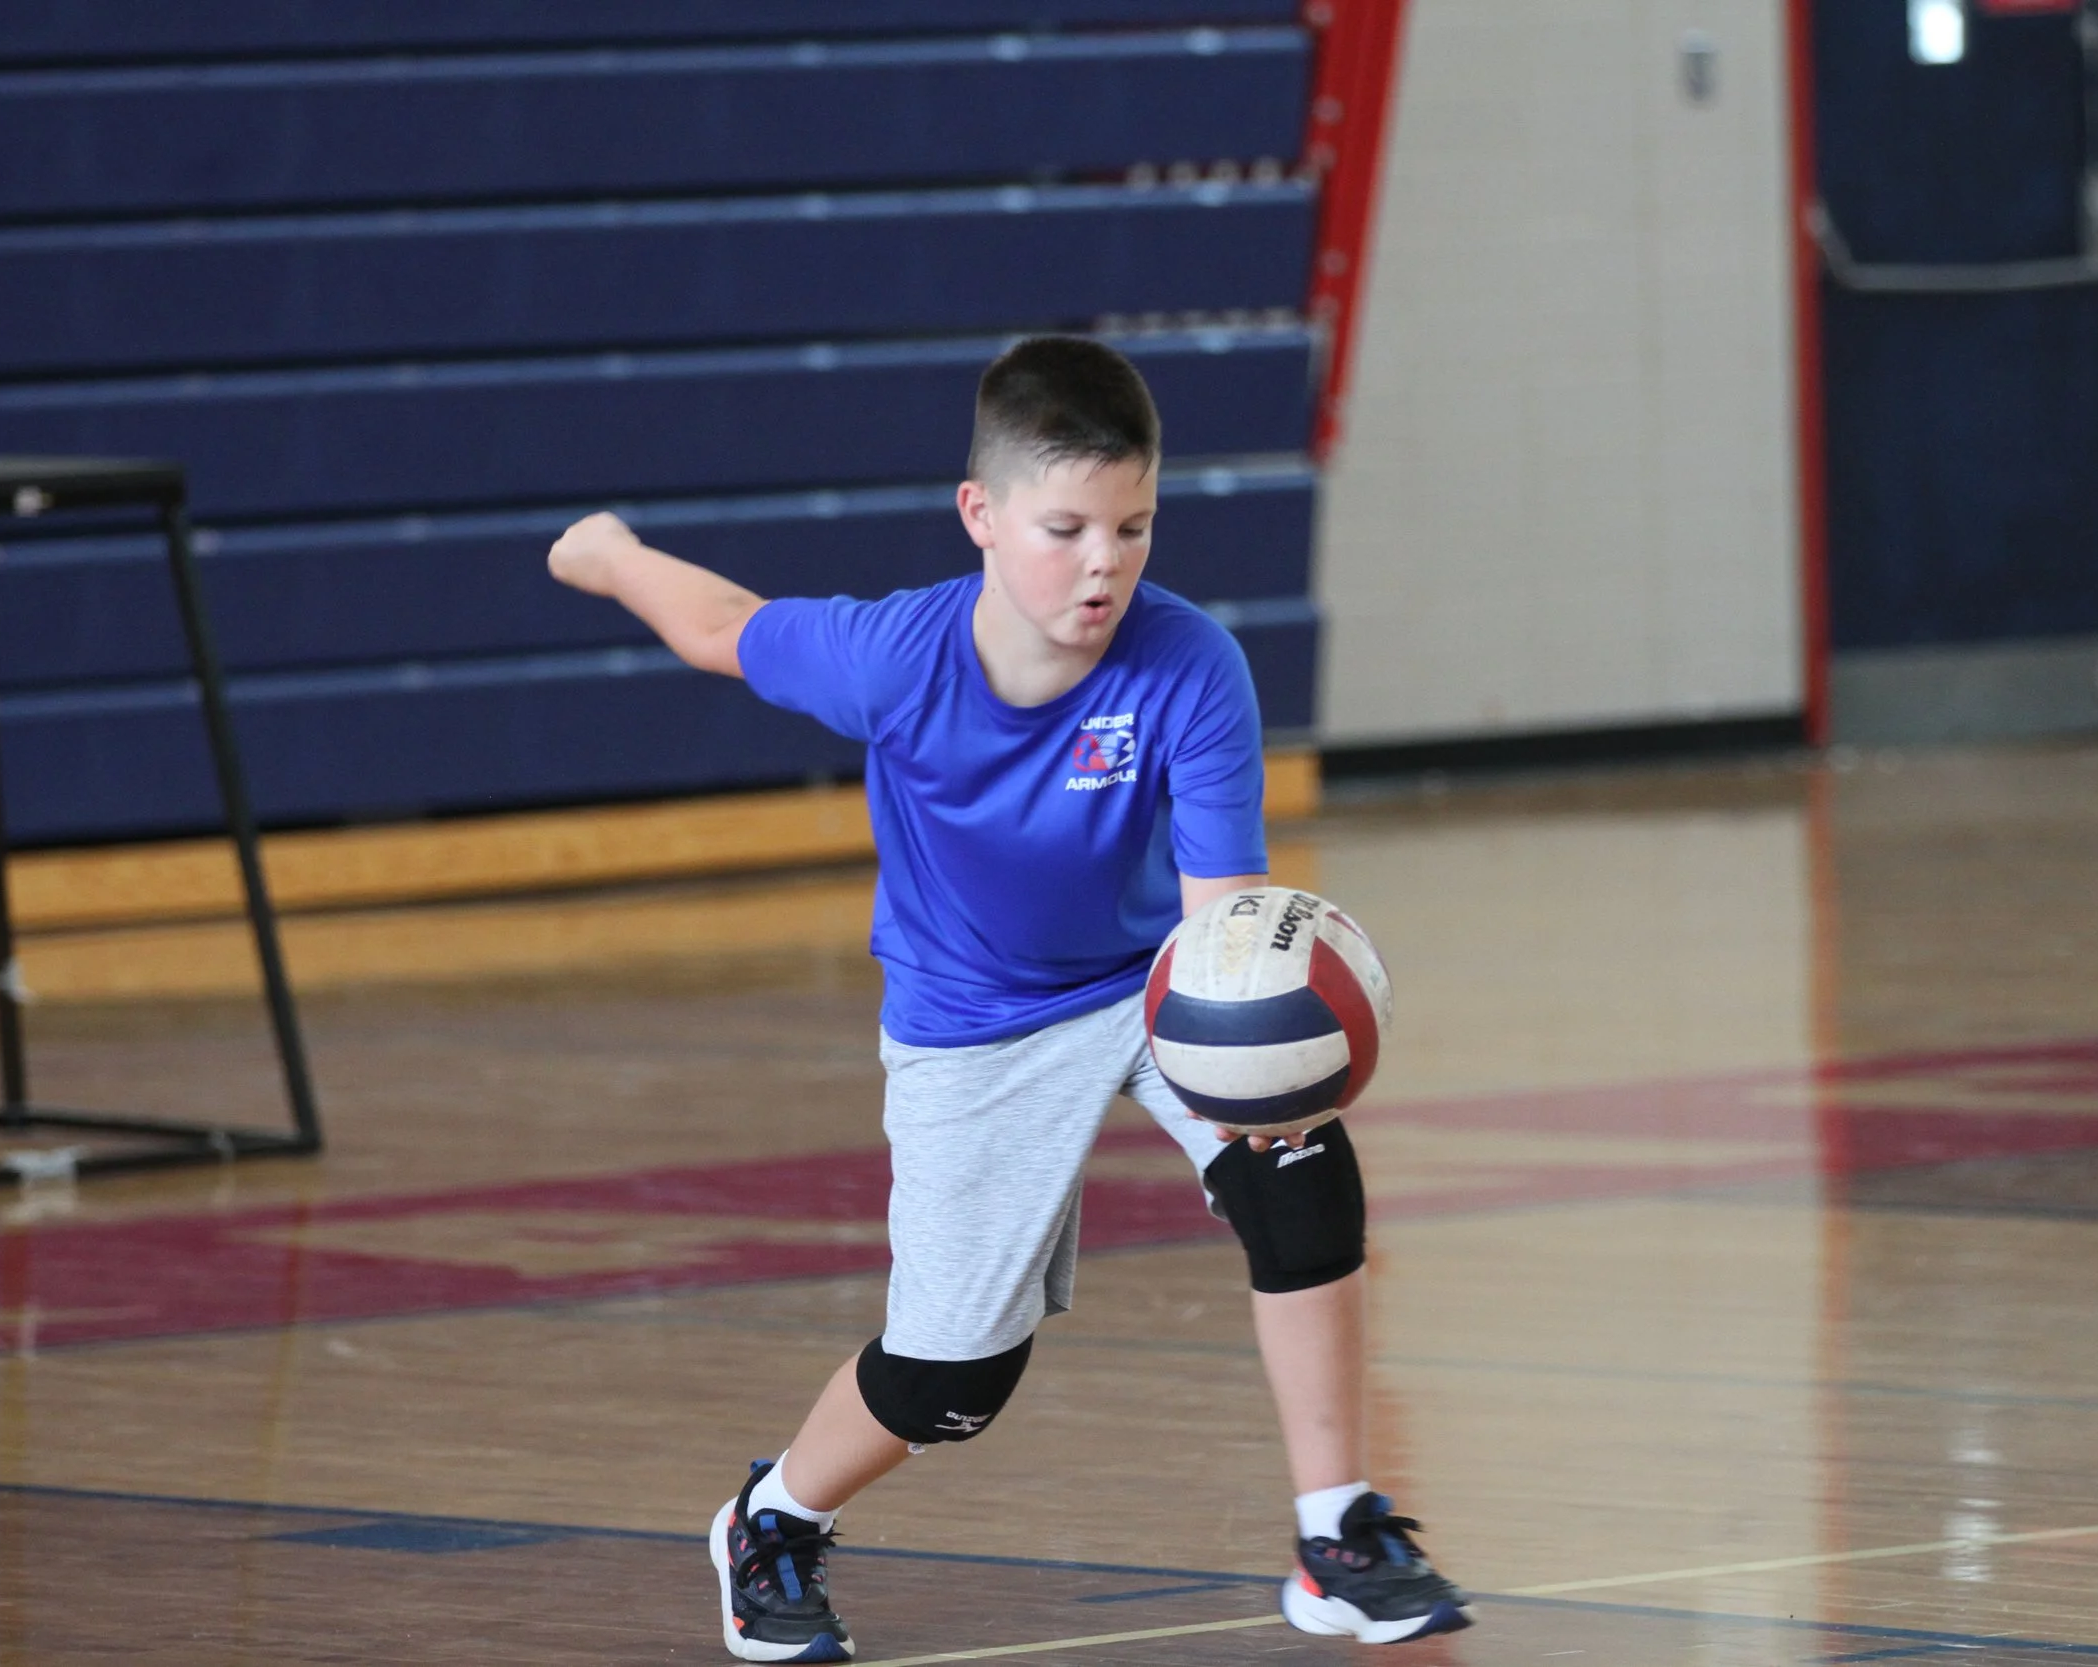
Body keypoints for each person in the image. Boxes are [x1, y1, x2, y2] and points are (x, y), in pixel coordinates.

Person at [547, 336, 1472, 1662]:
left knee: (1298, 1166)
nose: (1105, 560)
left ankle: (1337, 1531)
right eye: (1067, 528)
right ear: (980, 515)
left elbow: (1223, 924)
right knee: (953, 1380)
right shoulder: (890, 658)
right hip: (972, 1019)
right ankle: (773, 1517)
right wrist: (612, 553)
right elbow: (717, 628)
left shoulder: (1190, 667)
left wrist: (1269, 1078)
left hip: (1147, 982)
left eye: (1135, 525)